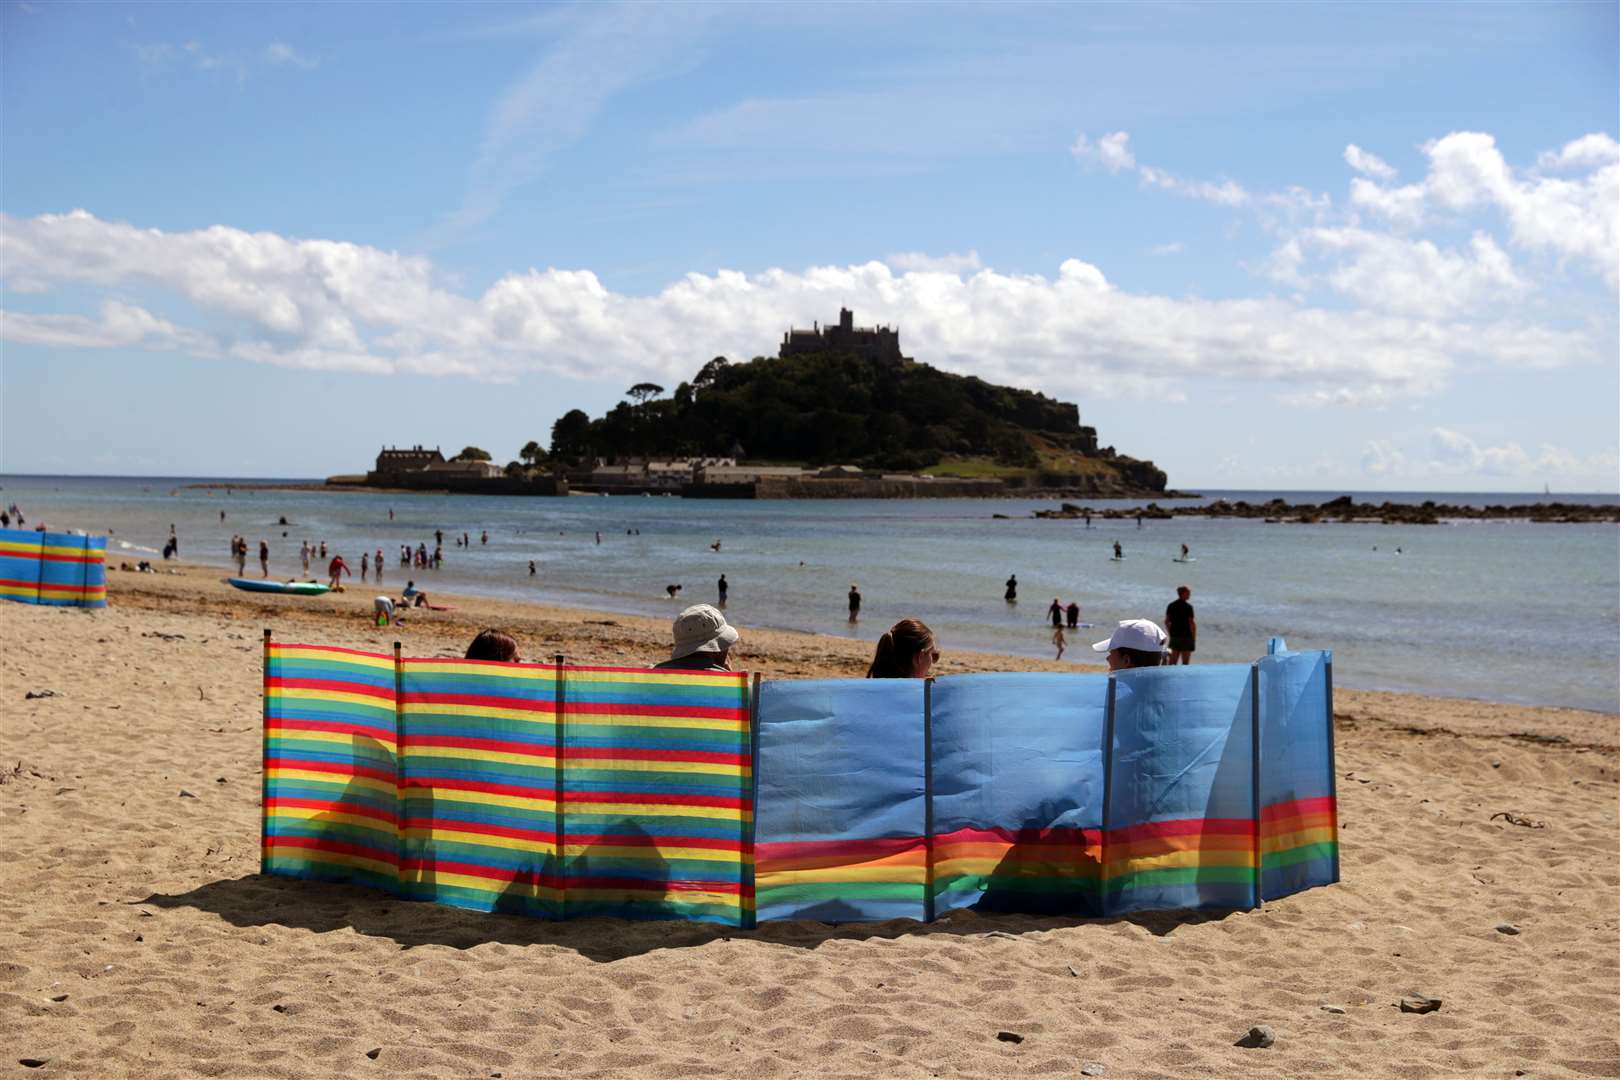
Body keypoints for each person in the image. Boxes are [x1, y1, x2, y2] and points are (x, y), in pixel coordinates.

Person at [654, 604, 738, 671]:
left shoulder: (653, 677)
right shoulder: (736, 689)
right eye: (725, 645)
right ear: (716, 651)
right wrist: (729, 676)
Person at [866, 619, 937, 678]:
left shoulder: (875, 688)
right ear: (920, 657)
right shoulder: (920, 693)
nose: (932, 661)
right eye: (932, 655)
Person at [1091, 619, 1168, 671]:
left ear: (1126, 661)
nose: (1107, 658)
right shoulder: (1163, 693)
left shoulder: (1117, 694)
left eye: (1111, 653)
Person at [1165, 586, 1196, 665]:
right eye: (1188, 593)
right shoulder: (1188, 607)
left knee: (1172, 662)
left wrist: (1171, 633)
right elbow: (1191, 624)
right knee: (1185, 663)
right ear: (1183, 593)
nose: (1189, 595)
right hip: (1186, 636)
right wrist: (1193, 637)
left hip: (1175, 636)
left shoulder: (1171, 605)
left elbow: (1167, 622)